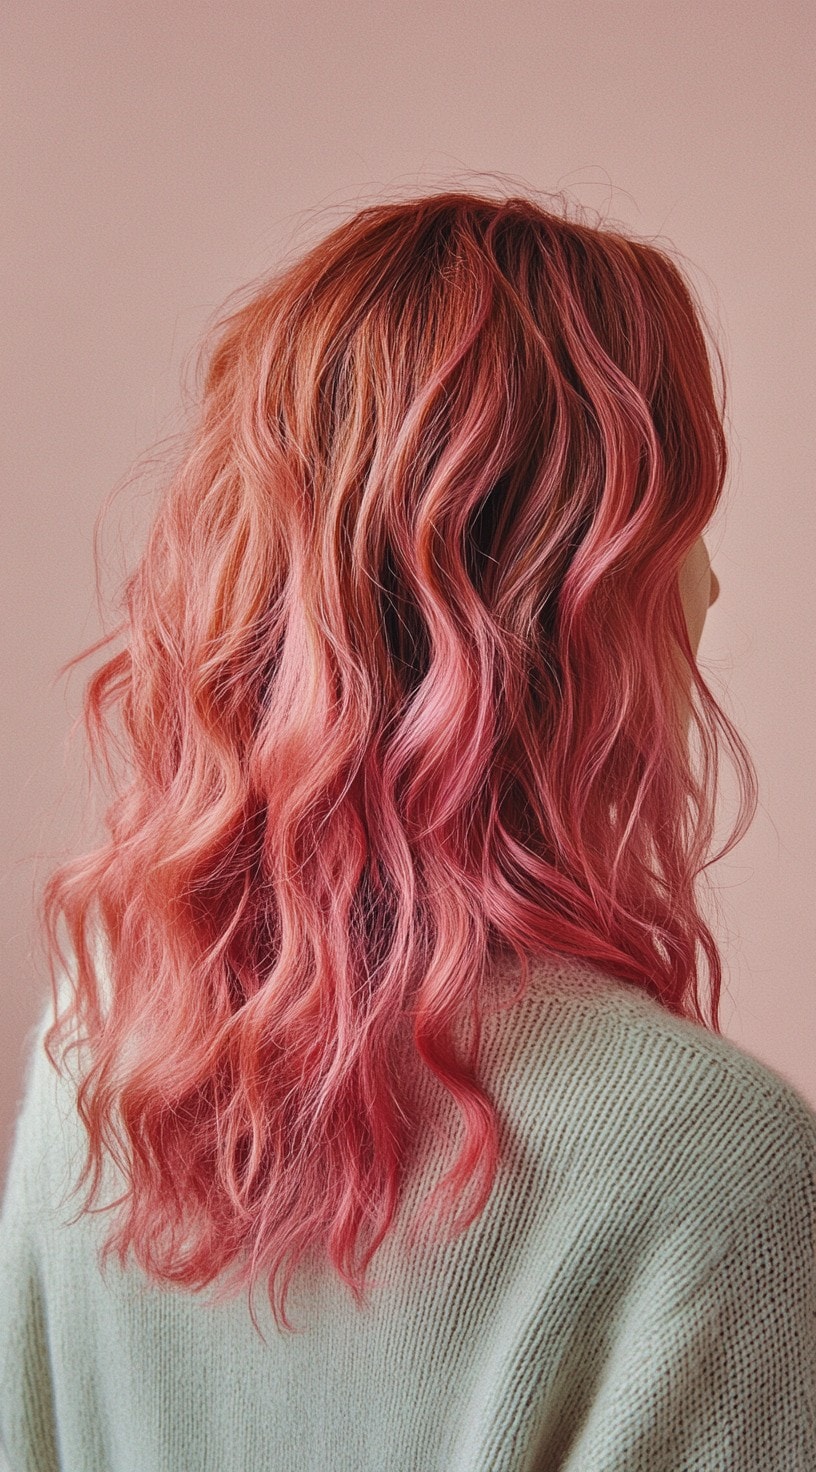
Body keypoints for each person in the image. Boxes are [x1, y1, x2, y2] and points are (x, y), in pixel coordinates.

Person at [1, 188, 814, 1472]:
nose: (714, 581)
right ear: (566, 605)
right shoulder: (715, 1174)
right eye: (679, 525)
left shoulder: (101, 1039)